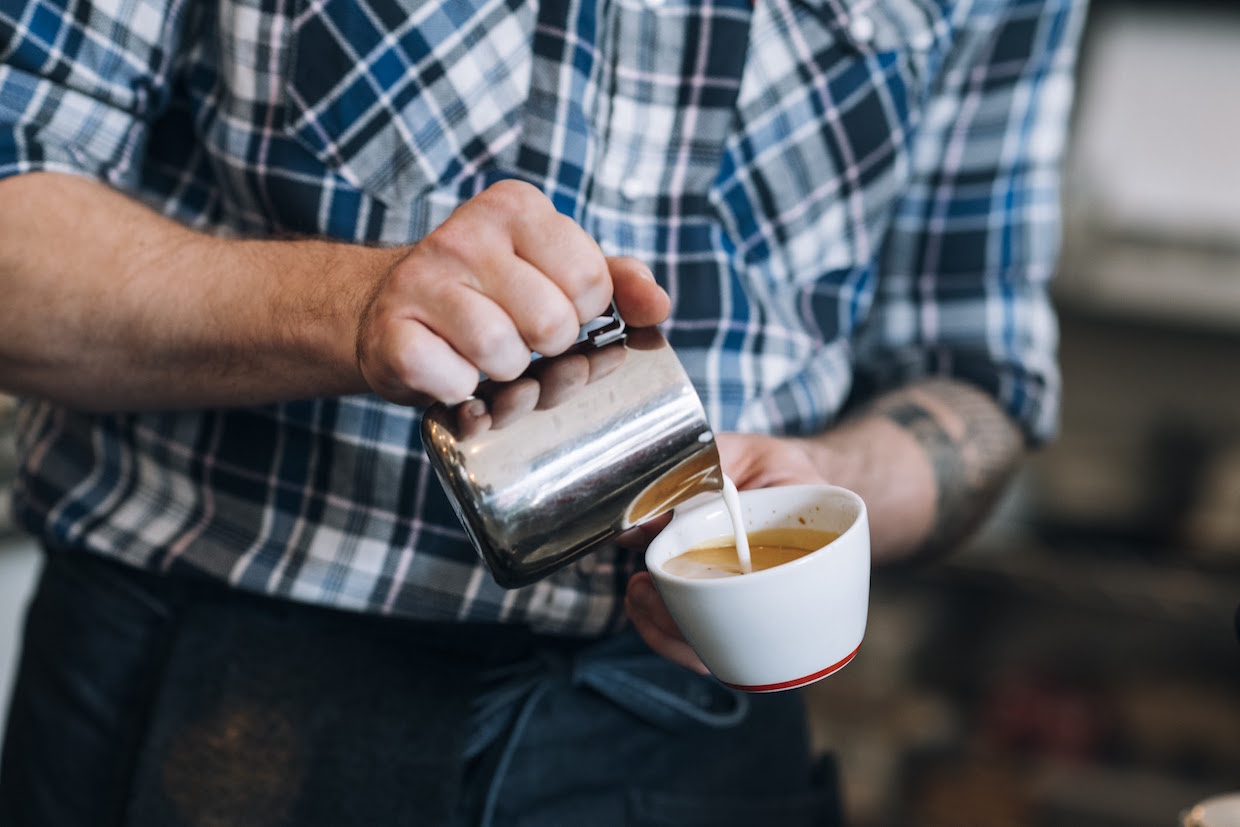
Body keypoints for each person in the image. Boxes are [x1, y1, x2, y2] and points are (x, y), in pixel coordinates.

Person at [0, 0, 1088, 822]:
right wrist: (353, 306)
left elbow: (977, 379)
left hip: (690, 729)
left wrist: (829, 473)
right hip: (215, 711)